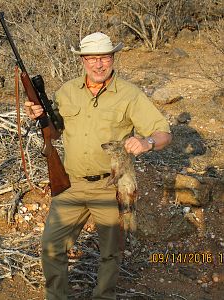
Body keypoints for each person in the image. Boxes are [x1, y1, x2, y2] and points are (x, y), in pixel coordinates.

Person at [25, 32, 172, 300]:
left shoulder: (129, 94)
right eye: (92, 58)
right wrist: (40, 118)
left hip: (111, 187)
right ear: (82, 61)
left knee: (111, 252)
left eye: (104, 57)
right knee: (51, 246)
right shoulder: (67, 91)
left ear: (113, 58)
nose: (98, 64)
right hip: (70, 184)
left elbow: (163, 132)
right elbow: (56, 133)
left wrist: (147, 141)